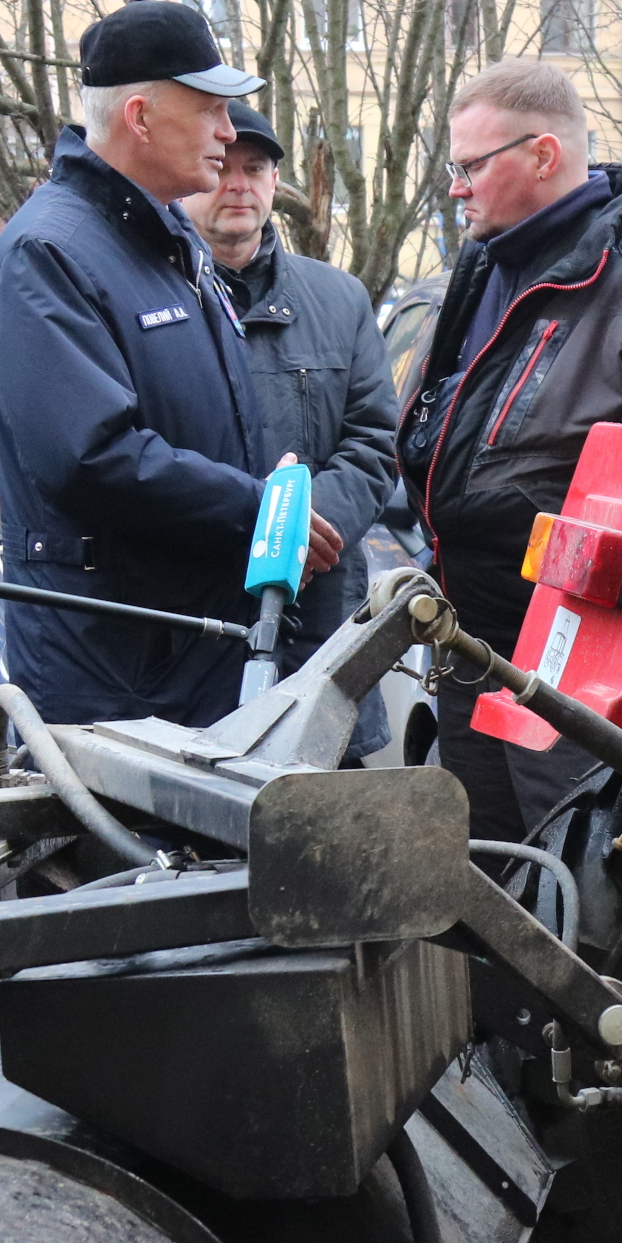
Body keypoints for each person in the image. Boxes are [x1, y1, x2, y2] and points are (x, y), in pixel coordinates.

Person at [0, 0, 342, 726]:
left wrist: (269, 500)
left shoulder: (168, 235)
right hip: (116, 677)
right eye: (211, 111)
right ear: (140, 116)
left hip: (190, 654)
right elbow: (92, 457)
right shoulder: (45, 255)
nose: (230, 134)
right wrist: (257, 508)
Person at [396, 59, 622, 846]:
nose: (456, 187)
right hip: (471, 641)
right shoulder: (483, 268)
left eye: (471, 166)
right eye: (452, 167)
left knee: (575, 876)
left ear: (543, 156)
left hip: (581, 667)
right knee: (485, 871)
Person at [181, 104, 398, 756]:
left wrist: (295, 536)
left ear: (277, 182)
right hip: (195, 621)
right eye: (222, 168)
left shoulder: (339, 300)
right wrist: (249, 527)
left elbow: (373, 441)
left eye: (257, 169)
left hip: (323, 620)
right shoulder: (152, 300)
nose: (240, 185)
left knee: (327, 825)